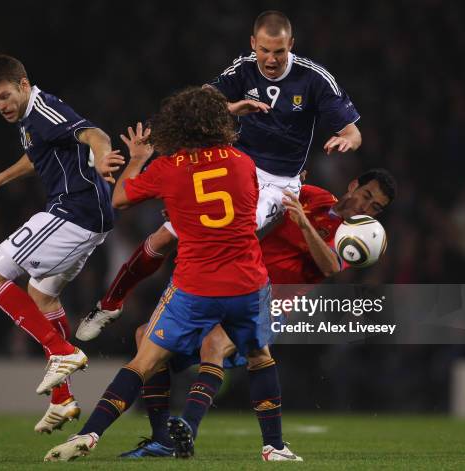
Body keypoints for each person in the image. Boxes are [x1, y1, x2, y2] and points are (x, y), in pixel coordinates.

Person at [44, 87, 301, 462]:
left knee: (144, 360)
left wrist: (137, 158)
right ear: (220, 122)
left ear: (176, 126)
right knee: (259, 357)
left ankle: (88, 434)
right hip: (247, 283)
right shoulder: (243, 162)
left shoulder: (168, 168)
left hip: (195, 285)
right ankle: (274, 447)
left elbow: (119, 199)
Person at [77, 9, 362, 340]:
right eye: (265, 50)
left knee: (221, 238)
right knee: (163, 237)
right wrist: (232, 107)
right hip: (233, 165)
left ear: (291, 45)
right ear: (253, 43)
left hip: (278, 184)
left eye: (279, 51)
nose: (271, 59)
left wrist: (346, 138)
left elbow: (353, 131)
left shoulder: (313, 78)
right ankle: (111, 303)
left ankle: (192, 328)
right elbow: (200, 104)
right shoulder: (242, 69)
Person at [118, 169, 396, 459]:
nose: (365, 208)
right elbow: (255, 199)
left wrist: (303, 224)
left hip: (273, 304)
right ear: (353, 185)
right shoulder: (314, 196)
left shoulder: (357, 237)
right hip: (236, 286)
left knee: (215, 342)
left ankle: (188, 425)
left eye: (376, 207)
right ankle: (162, 439)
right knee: (145, 336)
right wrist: (193, 212)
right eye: (366, 196)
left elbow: (330, 267)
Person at [0, 55, 123, 434]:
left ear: (23, 84)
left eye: (5, 96)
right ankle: (63, 400)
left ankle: (63, 352)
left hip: (74, 212)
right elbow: (37, 154)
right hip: (86, 216)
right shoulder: (30, 120)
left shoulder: (43, 109)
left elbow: (94, 134)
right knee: (42, 299)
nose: (1, 105)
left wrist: (103, 159)